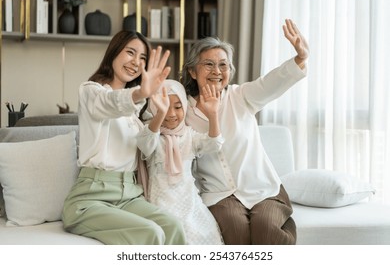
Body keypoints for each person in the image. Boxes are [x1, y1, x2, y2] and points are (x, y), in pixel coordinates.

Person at [180, 19, 309, 245]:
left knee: (266, 229)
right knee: (235, 230)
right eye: (208, 64)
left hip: (263, 190)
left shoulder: (241, 96)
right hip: (219, 195)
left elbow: (271, 82)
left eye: (223, 65)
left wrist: (300, 58)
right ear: (192, 71)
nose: (217, 71)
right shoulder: (183, 111)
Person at [62, 31, 186, 245]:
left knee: (174, 227)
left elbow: (147, 149)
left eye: (143, 58)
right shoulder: (91, 92)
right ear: (114, 52)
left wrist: (159, 115)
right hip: (90, 199)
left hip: (129, 195)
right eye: (130, 52)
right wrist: (139, 94)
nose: (136, 62)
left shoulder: (134, 114)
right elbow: (110, 102)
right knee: (151, 233)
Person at [136, 79, 224, 245]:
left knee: (204, 234)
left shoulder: (189, 135)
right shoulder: (151, 133)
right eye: (164, 107)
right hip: (160, 201)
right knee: (172, 234)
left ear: (184, 106)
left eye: (177, 107)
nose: (171, 114)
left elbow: (214, 144)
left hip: (190, 201)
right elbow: (144, 145)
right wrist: (159, 115)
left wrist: (213, 115)